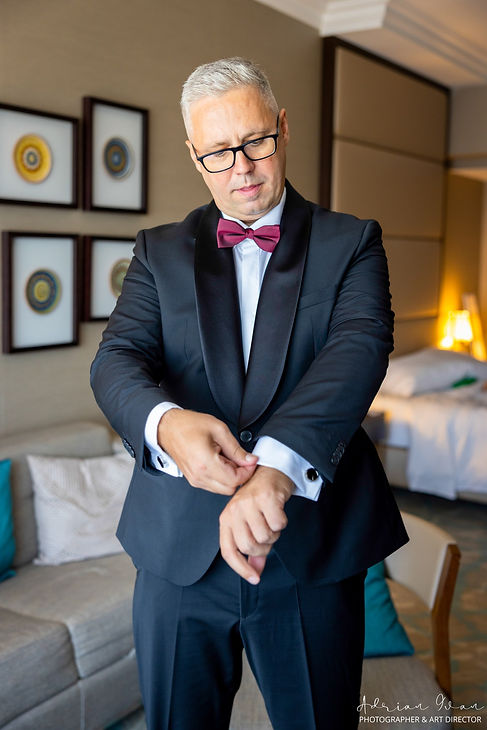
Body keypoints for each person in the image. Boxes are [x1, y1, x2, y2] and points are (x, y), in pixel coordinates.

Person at [91, 57, 408, 730]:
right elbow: (116, 360)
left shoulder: (352, 242)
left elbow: (357, 351)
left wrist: (276, 470)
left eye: (256, 141)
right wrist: (166, 424)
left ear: (283, 128)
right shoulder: (156, 252)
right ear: (193, 154)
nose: (242, 168)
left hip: (310, 550)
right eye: (218, 153)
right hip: (177, 549)